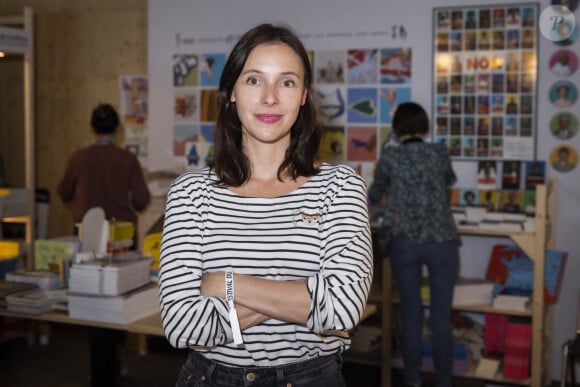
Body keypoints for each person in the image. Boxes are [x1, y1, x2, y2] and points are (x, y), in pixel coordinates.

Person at [157, 23, 373, 387]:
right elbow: (182, 325)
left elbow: (343, 309)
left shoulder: (340, 187)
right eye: (254, 80)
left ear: (303, 94)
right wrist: (303, 297)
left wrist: (225, 282)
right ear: (231, 92)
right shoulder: (190, 192)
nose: (270, 97)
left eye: (286, 82)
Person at [57, 103, 151, 387]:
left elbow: (63, 191)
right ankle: (117, 361)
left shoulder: (79, 157)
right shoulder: (126, 159)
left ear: (91, 128)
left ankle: (101, 372)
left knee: (92, 301)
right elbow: (142, 201)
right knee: (120, 298)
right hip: (121, 239)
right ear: (118, 130)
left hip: (88, 238)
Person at [368, 102, 459, 387]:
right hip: (442, 238)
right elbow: (446, 184)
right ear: (424, 126)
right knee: (442, 316)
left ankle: (412, 381)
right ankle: (444, 382)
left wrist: (382, 181)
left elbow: (374, 194)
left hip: (404, 240)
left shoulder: (391, 157)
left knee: (411, 314)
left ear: (397, 130)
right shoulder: (439, 152)